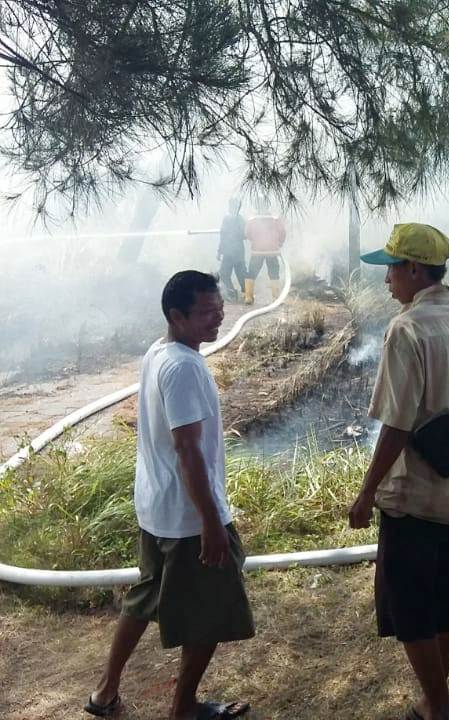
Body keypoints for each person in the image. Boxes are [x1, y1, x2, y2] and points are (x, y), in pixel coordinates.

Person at [85, 271, 253, 720]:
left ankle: (104, 693)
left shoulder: (158, 352)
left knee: (144, 598)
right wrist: (212, 524)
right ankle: (183, 708)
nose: (216, 319)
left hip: (157, 509)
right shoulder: (183, 366)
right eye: (205, 313)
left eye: (220, 310)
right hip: (188, 518)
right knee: (214, 610)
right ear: (176, 316)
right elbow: (188, 449)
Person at [348, 223, 449, 720]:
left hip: (413, 494)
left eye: (390, 268)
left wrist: (367, 493)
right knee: (447, 602)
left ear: (413, 269)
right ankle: (434, 703)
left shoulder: (406, 329)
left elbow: (397, 424)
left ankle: (439, 705)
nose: (386, 279)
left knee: (409, 612)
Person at [243, 207, 286, 305]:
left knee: (252, 273)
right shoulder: (274, 219)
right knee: (274, 273)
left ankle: (248, 297)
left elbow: (247, 234)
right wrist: (279, 243)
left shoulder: (252, 220)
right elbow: (282, 232)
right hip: (272, 250)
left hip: (257, 251)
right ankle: (276, 298)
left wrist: (256, 241)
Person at [216, 198, 247, 301]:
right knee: (225, 274)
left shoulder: (239, 220)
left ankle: (245, 294)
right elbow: (223, 235)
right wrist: (220, 251)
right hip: (229, 252)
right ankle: (234, 293)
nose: (231, 207)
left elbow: (244, 235)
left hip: (235, 252)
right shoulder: (229, 218)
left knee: (240, 274)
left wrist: (220, 251)